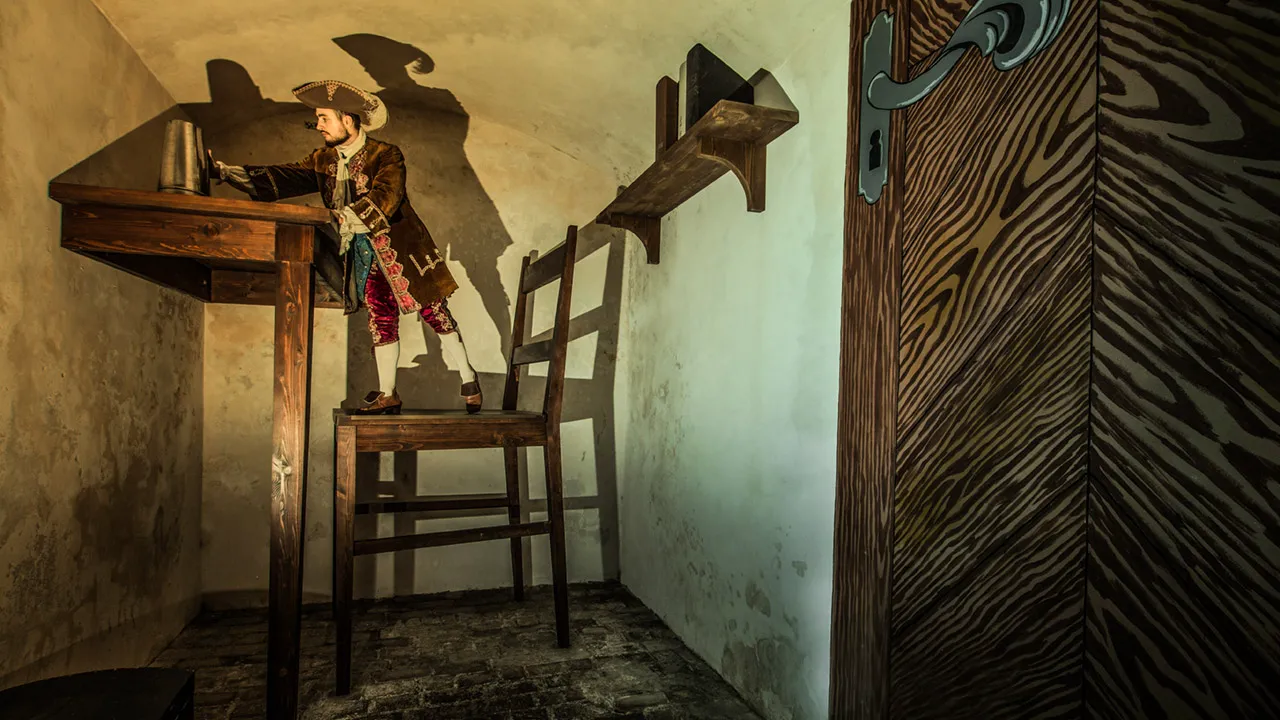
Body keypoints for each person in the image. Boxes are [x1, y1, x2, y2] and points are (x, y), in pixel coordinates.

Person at [213, 80, 481, 415]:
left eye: (324, 118)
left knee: (433, 311)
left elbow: (387, 195)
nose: (318, 125)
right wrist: (226, 172)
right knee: (380, 318)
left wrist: (344, 218)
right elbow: (284, 176)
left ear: (348, 120)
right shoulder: (323, 159)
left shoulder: (386, 155)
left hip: (401, 247)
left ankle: (468, 377)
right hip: (362, 252)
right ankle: (388, 394)